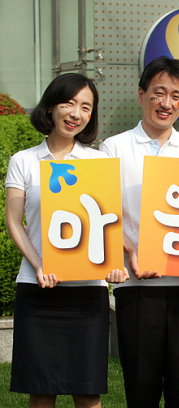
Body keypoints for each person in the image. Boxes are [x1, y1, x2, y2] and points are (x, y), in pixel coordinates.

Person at [5, 73, 128, 408]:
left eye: (86, 107)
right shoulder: (24, 161)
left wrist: (114, 266)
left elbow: (107, 224)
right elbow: (14, 221)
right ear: (51, 106)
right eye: (69, 103)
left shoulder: (99, 162)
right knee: (41, 391)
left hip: (88, 293)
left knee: (88, 393)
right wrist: (39, 264)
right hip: (38, 288)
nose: (76, 113)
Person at [99, 56, 179, 408]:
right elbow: (106, 214)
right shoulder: (113, 149)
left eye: (176, 96)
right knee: (141, 388)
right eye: (158, 92)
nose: (167, 103)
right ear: (141, 94)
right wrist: (132, 249)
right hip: (137, 288)